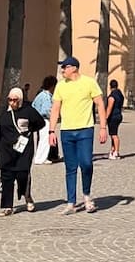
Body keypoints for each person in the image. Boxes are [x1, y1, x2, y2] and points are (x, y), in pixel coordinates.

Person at [49, 57, 108, 214]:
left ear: (74, 68)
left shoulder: (89, 83)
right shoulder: (60, 86)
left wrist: (103, 127)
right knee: (70, 167)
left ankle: (87, 196)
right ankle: (71, 202)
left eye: (64, 68)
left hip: (85, 130)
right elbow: (55, 109)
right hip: (66, 131)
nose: (62, 71)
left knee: (86, 163)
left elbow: (100, 104)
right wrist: (51, 130)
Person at [0, 88, 43, 216]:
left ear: (20, 100)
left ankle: (27, 196)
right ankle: (7, 206)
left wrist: (28, 131)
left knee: (22, 175)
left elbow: (40, 123)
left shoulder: (29, 111)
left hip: (23, 150)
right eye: (10, 100)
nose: (12, 103)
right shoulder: (5, 113)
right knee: (7, 177)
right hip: (6, 150)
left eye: (15, 100)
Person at [31, 76, 60, 162]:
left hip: (39, 120)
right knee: (45, 140)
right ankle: (41, 158)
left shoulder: (40, 95)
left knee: (42, 139)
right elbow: (46, 110)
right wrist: (55, 116)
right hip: (45, 120)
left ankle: (43, 157)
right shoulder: (47, 96)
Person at [106, 79, 125, 159]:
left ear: (110, 86)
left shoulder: (112, 96)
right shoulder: (120, 94)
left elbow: (109, 108)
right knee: (112, 134)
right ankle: (113, 150)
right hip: (119, 115)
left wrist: (105, 117)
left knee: (114, 135)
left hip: (113, 116)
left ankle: (116, 152)